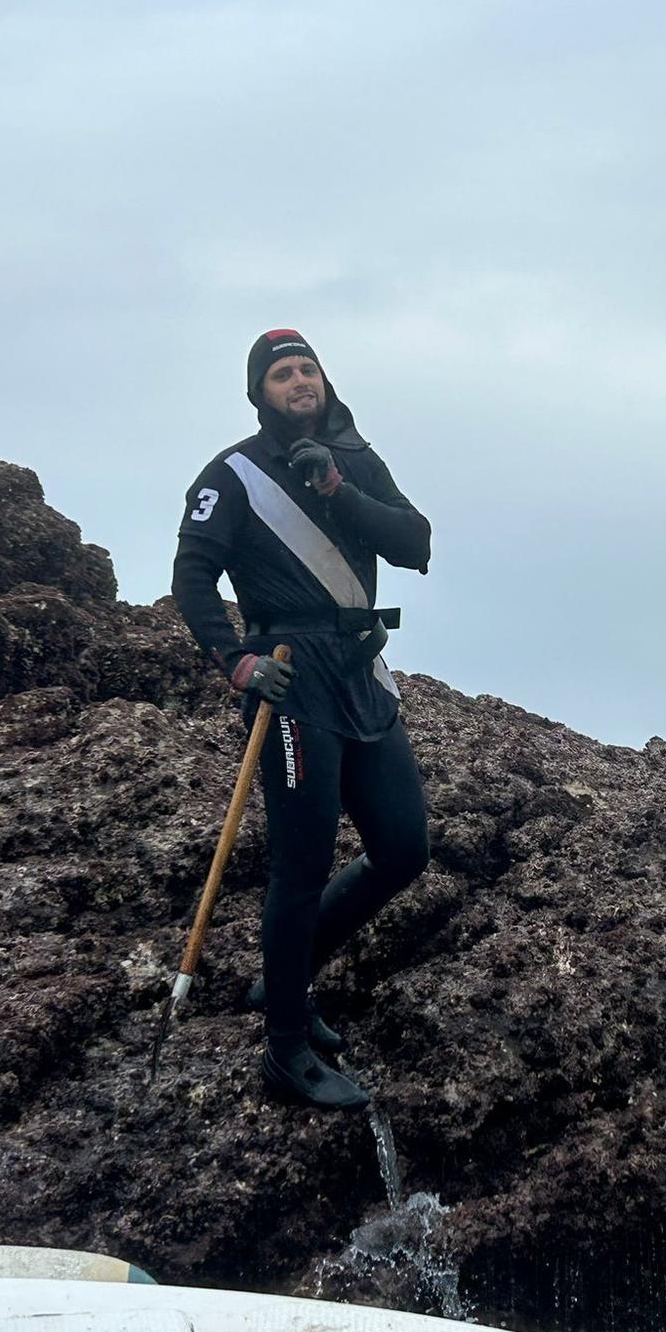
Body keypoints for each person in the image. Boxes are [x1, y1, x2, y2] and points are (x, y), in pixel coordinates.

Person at [171, 329, 433, 1111]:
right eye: (282, 374)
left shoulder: (354, 459)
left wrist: (337, 492)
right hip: (289, 681)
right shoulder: (233, 474)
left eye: (307, 368)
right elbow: (190, 575)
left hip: (360, 673)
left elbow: (415, 543)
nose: (298, 382)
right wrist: (237, 661)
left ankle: (284, 981)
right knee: (301, 862)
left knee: (404, 849)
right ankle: (284, 1048)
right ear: (261, 393)